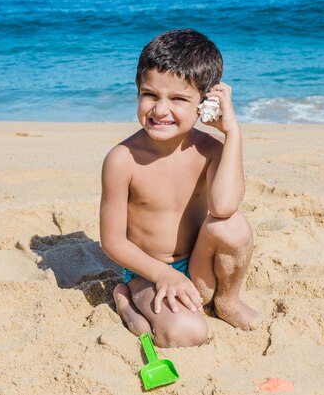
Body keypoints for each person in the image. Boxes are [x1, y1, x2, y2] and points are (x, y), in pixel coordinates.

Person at [100, 29, 261, 348]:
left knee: (234, 226)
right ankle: (126, 302)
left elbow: (224, 207)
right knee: (190, 333)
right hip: (148, 273)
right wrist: (162, 274)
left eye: (178, 99)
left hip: (199, 266)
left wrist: (233, 134)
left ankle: (227, 301)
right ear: (137, 90)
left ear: (206, 105)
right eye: (150, 95)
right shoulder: (123, 160)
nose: (160, 110)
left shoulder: (211, 150)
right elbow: (113, 242)